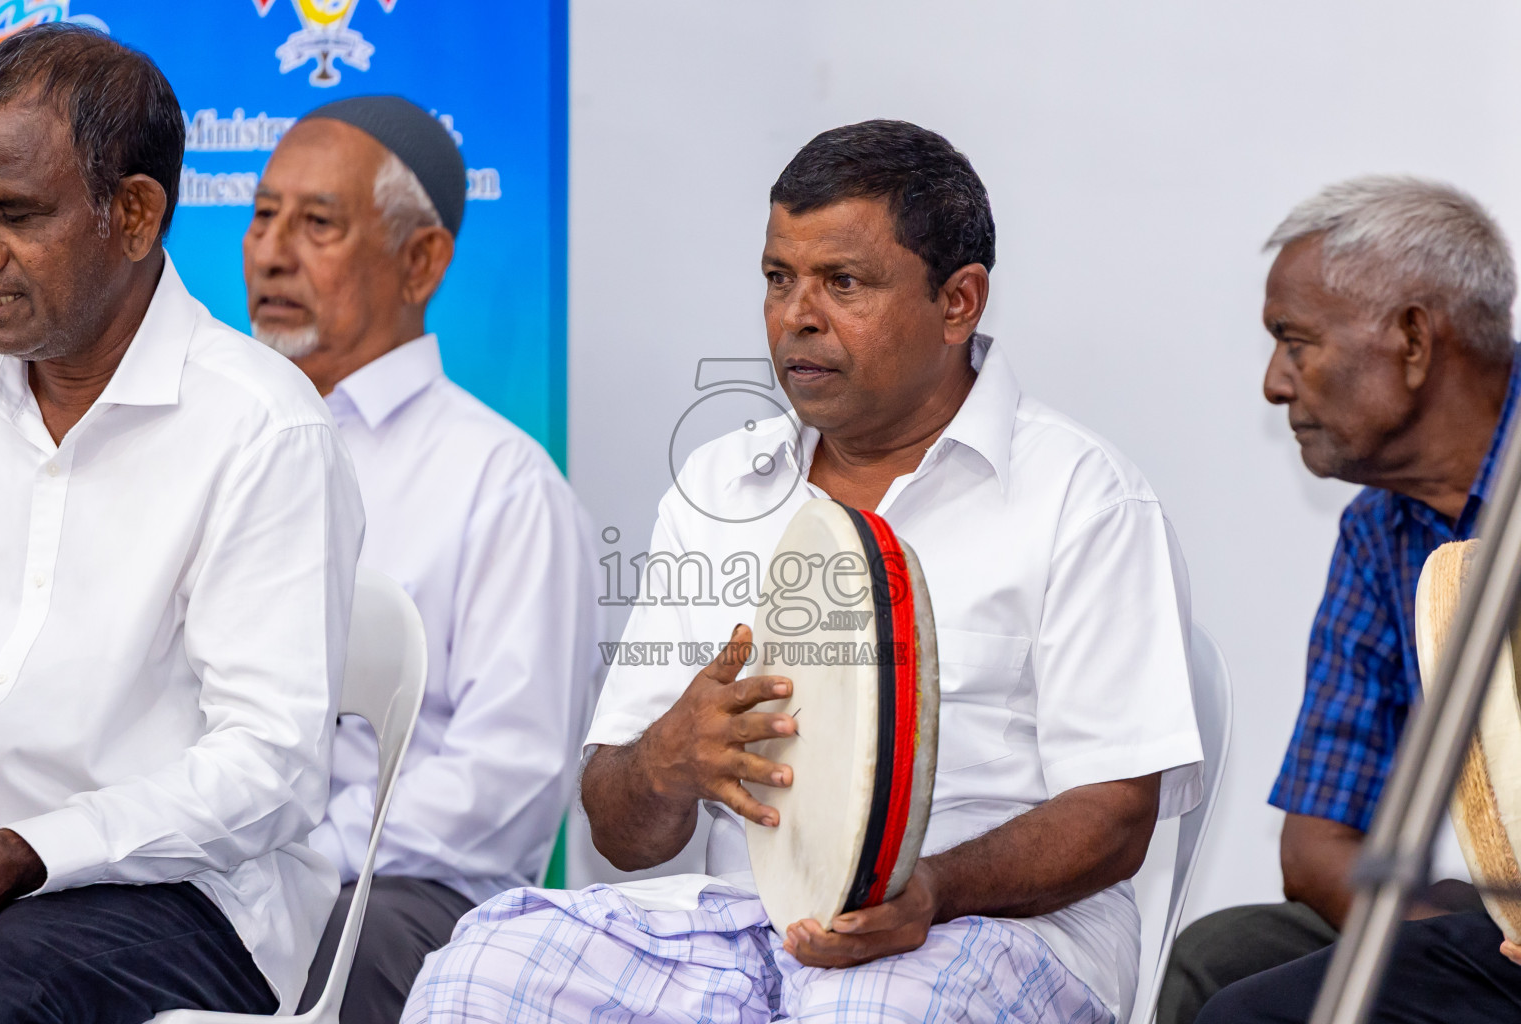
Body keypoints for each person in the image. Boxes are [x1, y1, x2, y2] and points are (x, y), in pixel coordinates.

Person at [401, 119, 1203, 1024]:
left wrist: (932, 888)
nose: (796, 315)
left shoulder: (1082, 497)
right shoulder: (717, 486)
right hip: (741, 925)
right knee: (483, 974)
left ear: (958, 302)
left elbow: (1116, 814)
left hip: (987, 929)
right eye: (779, 278)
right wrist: (667, 759)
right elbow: (620, 834)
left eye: (843, 283)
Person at [0, 25, 363, 1023]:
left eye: (15, 215)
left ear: (135, 215)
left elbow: (270, 769)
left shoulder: (262, 428)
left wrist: (29, 848)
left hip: (187, 902)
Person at [243, 96, 601, 1023]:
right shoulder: (219, 448)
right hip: (222, 874)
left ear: (422, 261)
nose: (271, 252)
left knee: (339, 948)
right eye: (263, 214)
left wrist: (300, 860)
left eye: (317, 223)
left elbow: (508, 776)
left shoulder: (502, 483)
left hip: (404, 897)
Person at [1159, 176, 1521, 1024]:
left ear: (1413, 340)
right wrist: (1450, 935)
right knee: (1221, 959)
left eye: (1296, 341)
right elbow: (1320, 846)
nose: (1274, 384)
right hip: (1503, 927)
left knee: (1255, 1013)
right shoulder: (1380, 531)